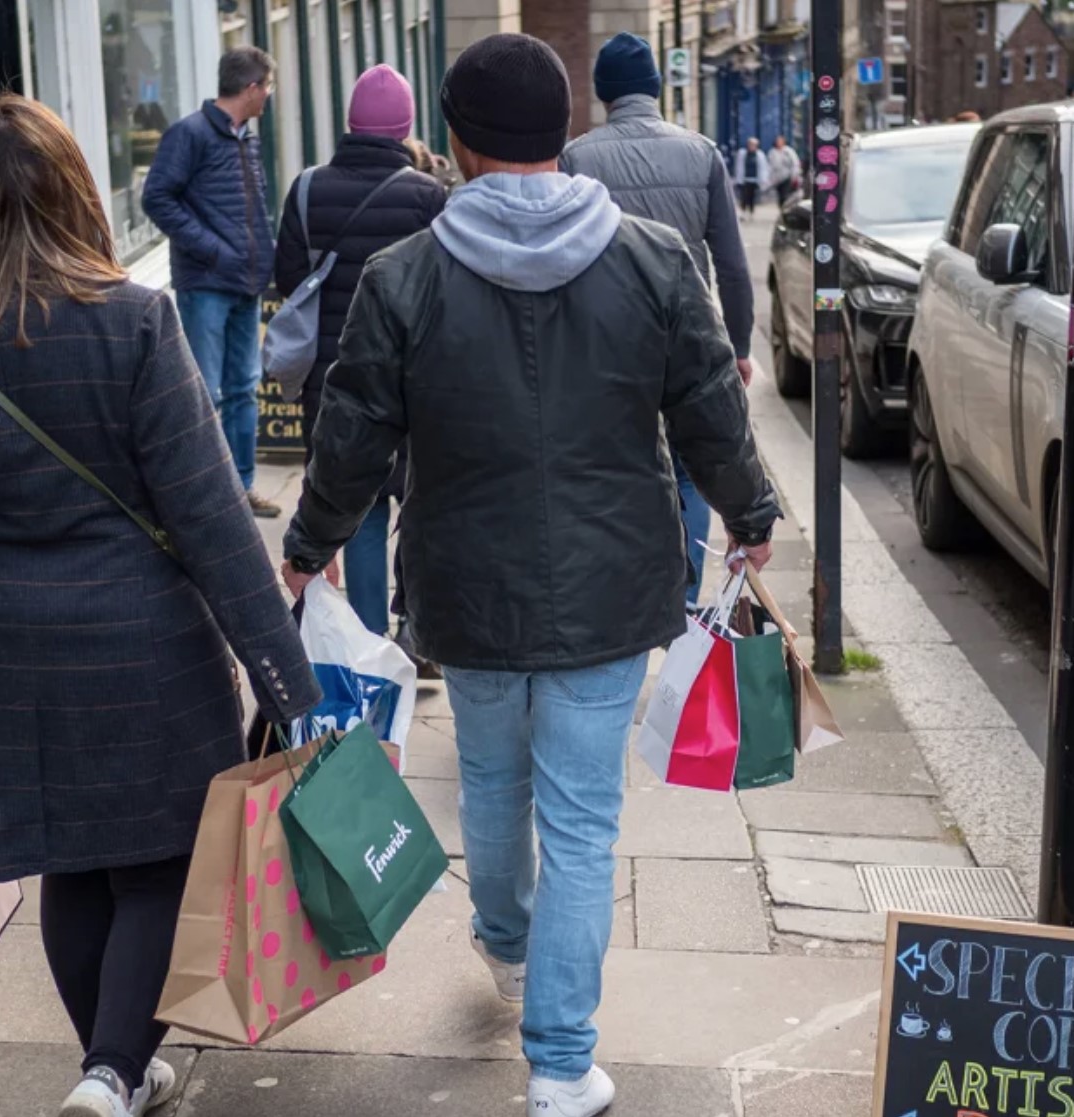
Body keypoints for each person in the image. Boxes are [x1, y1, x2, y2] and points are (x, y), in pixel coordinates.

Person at [279, 34, 779, 1117]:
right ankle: (559, 1063)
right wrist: (749, 515)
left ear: (453, 144)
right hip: (612, 585)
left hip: (465, 581)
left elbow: (352, 437)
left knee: (495, 788)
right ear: (564, 132)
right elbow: (709, 411)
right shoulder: (653, 261)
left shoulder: (401, 277)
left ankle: (504, 943)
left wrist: (309, 544)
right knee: (585, 821)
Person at [0, 96, 318, 1117]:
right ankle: (111, 1071)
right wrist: (280, 673)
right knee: (158, 864)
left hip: (3, 661)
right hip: (142, 649)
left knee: (70, 862)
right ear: (74, 194)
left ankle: (108, 1065)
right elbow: (208, 515)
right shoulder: (132, 322)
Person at [560, 32, 757, 609]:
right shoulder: (701, 154)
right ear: (654, 88)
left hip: (604, 342)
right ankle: (686, 593)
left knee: (616, 466)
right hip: (686, 337)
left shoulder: (576, 158)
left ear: (603, 95)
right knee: (691, 469)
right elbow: (733, 266)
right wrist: (739, 346)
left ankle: (621, 594)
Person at [275, 64, 447, 640]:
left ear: (350, 124)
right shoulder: (429, 196)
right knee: (421, 507)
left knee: (363, 510)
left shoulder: (305, 189)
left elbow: (288, 282)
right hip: (416, 381)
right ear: (405, 129)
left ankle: (371, 647)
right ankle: (416, 629)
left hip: (334, 379)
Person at [141, 47, 284, 517]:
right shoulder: (190, 134)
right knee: (206, 392)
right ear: (252, 88)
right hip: (205, 284)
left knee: (244, 387)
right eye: (268, 86)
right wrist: (210, 248)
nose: (269, 96)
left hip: (245, 283)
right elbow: (157, 198)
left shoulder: (248, 138)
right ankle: (207, 498)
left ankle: (241, 491)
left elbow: (254, 209)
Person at [734, 136, 768, 216]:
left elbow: (763, 167)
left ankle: (751, 211)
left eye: (753, 145)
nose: (751, 146)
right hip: (745, 179)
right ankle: (743, 211)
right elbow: (738, 166)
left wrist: (763, 179)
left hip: (755, 179)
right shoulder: (742, 153)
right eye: (750, 144)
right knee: (744, 196)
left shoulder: (760, 155)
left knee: (752, 196)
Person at [767, 134, 802, 208]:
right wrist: (770, 178)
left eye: (780, 141)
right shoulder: (772, 152)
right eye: (777, 141)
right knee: (780, 195)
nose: (779, 142)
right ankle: (781, 208)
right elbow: (770, 166)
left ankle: (785, 208)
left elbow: (795, 163)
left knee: (785, 194)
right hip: (777, 178)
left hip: (787, 176)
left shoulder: (789, 151)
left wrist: (795, 174)